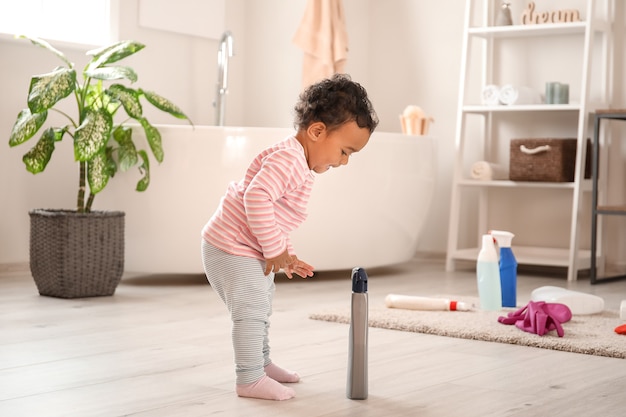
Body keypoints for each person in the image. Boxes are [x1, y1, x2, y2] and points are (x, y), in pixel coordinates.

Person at [201, 74, 378, 401]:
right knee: (251, 309)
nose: (344, 161)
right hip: (230, 247)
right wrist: (274, 249)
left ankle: (261, 363)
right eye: (344, 150)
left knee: (262, 304)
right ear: (317, 131)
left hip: (243, 247)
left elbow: (275, 215)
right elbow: (255, 198)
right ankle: (249, 378)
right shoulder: (289, 159)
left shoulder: (298, 162)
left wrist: (285, 253)